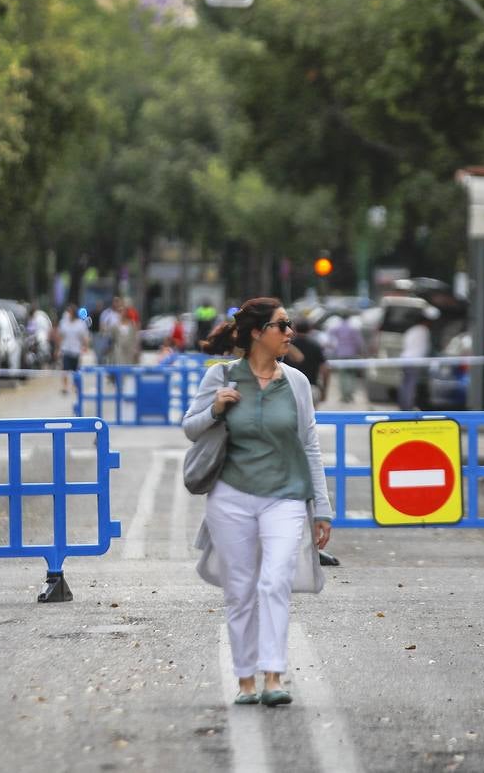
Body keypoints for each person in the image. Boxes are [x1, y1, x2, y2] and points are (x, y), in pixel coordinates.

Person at [182, 298, 333, 708]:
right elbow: (190, 429)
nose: (290, 333)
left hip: (285, 497)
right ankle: (245, 679)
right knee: (241, 590)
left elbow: (310, 446)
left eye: (289, 326)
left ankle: (273, 676)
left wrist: (322, 507)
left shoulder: (298, 383)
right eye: (282, 325)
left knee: (275, 580)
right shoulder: (222, 377)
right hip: (231, 498)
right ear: (256, 333)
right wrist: (216, 408)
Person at [398, 306, 437, 410]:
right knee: (411, 385)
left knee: (406, 384)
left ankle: (404, 405)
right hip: (414, 361)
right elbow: (426, 348)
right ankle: (407, 406)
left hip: (405, 359)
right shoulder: (424, 330)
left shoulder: (411, 330)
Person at [284, 318, 330, 404]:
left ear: (295, 329)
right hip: (311, 387)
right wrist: (324, 389)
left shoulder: (287, 345)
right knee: (311, 416)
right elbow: (325, 369)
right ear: (310, 329)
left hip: (290, 388)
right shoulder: (315, 345)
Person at [326, 315, 365, 403]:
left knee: (343, 376)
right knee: (352, 375)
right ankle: (350, 395)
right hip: (352, 354)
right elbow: (359, 342)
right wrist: (361, 352)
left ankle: (344, 396)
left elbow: (329, 334)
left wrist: (332, 346)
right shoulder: (354, 329)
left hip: (341, 354)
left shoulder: (337, 328)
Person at [54, 303, 90, 395]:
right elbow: (60, 336)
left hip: (76, 350)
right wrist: (58, 349)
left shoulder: (80, 324)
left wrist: (85, 346)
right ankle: (65, 387)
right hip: (66, 349)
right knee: (65, 369)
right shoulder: (64, 323)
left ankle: (76, 386)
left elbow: (84, 337)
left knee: (76, 370)